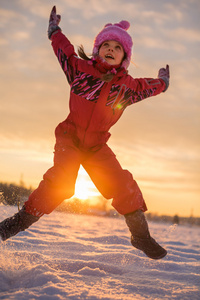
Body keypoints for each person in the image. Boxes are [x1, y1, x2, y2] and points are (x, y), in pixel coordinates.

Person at [0, 6, 169, 259]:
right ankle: (14, 224)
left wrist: (163, 83)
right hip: (71, 138)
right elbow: (64, 50)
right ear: (97, 50)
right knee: (61, 182)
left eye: (117, 47)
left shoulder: (128, 87)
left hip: (97, 146)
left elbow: (149, 87)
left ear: (125, 56)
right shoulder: (79, 70)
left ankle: (141, 236)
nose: (111, 49)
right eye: (106, 45)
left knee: (123, 184)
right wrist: (54, 30)